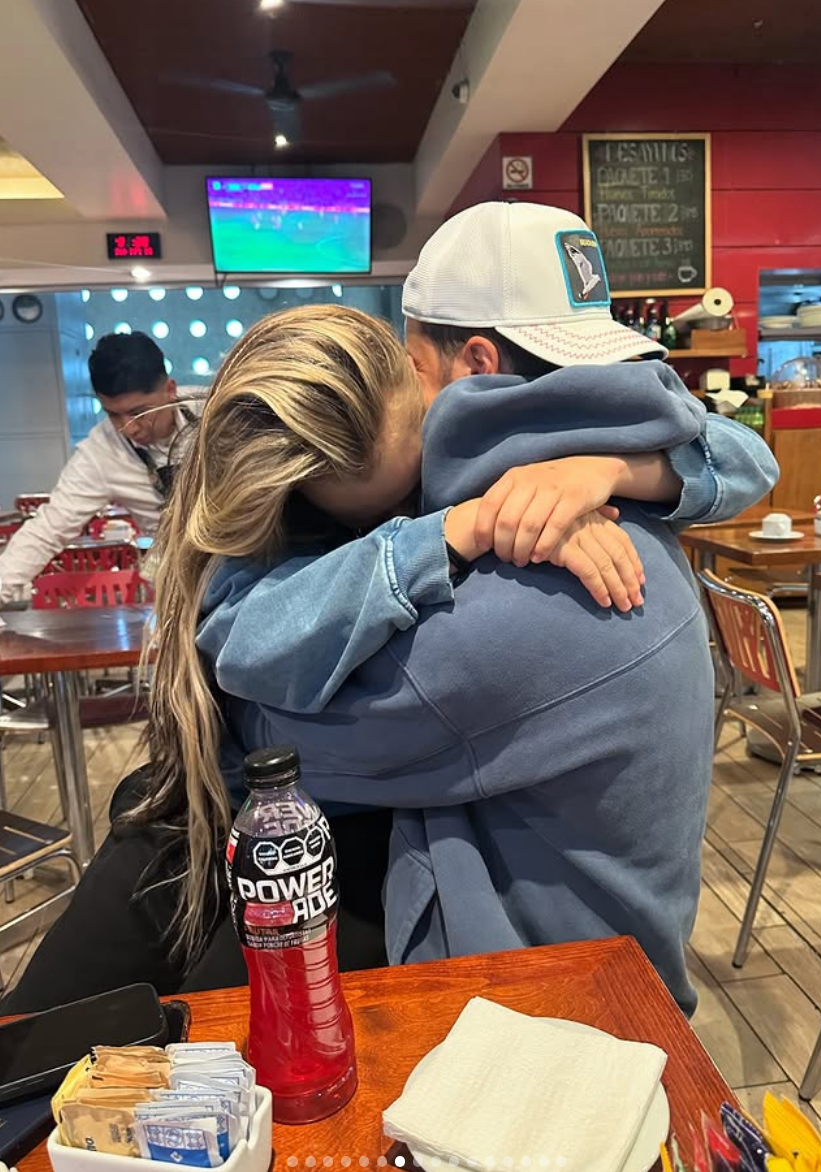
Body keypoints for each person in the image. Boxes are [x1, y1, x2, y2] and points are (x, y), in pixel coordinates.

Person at [4, 207, 778, 1015]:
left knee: (200, 956)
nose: (408, 390)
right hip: (499, 914)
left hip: (542, 1011)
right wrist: (617, 469)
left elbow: (269, 749)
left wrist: (592, 478)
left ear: (476, 364)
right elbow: (725, 446)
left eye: (413, 364)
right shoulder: (590, 502)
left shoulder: (547, 585)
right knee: (169, 864)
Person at [0, 331, 198, 603]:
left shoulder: (214, 410)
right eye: (113, 414)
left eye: (138, 412)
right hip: (179, 581)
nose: (127, 427)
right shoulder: (101, 451)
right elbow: (49, 527)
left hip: (246, 565)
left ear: (170, 390)